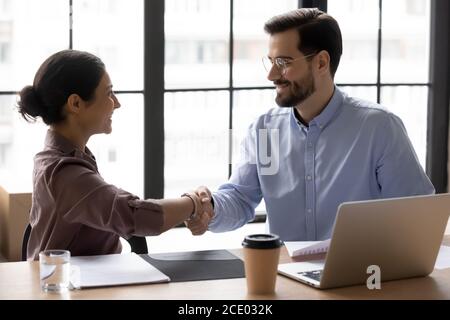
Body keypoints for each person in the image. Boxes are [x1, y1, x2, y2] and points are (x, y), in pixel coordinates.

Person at [185, 8, 435, 241]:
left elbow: (416, 218)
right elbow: (241, 199)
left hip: (360, 277)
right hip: (282, 280)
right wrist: (209, 207)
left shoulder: (379, 128)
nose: (271, 75)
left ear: (321, 63)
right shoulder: (265, 130)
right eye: (270, 61)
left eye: (283, 63)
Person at [18, 49, 211, 260]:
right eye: (109, 93)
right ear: (75, 104)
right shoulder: (66, 173)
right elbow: (136, 217)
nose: (117, 103)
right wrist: (193, 202)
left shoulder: (60, 158)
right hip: (67, 286)